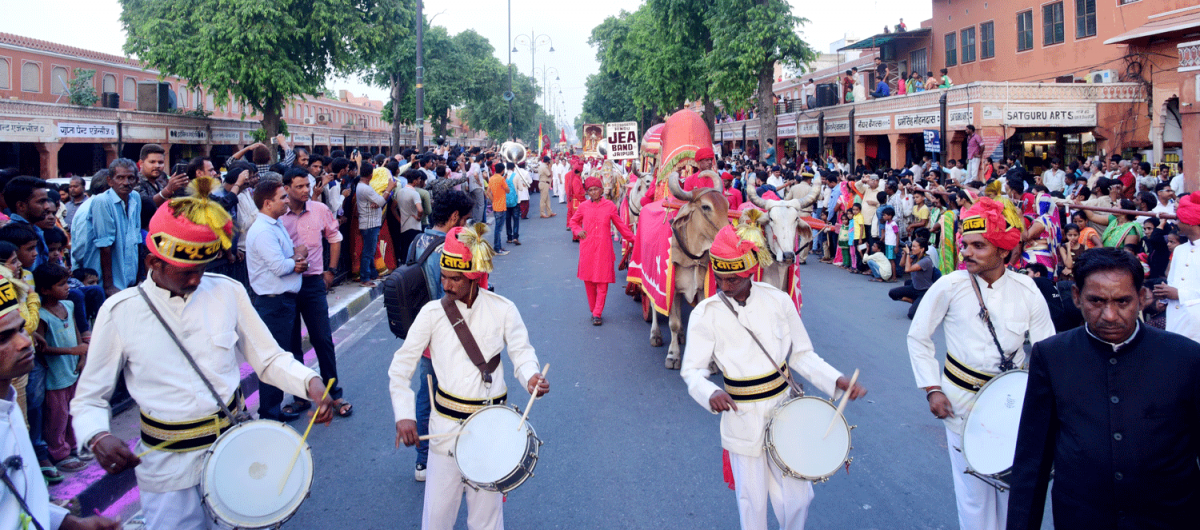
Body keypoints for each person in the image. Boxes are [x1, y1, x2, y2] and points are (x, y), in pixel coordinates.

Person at [71, 177, 332, 530]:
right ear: (153, 262)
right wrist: (97, 435)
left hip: (235, 453)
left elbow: (268, 358)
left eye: (201, 270)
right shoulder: (120, 311)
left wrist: (310, 381)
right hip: (165, 471)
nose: (197, 280)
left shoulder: (227, 291)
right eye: (186, 272)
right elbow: (89, 397)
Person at [680, 224, 866, 530]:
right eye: (721, 278)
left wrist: (836, 381)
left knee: (797, 499)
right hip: (741, 416)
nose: (725, 286)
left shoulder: (779, 301)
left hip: (785, 411)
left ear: (751, 271)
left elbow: (802, 355)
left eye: (734, 279)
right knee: (751, 502)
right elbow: (692, 370)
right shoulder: (705, 313)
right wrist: (708, 392)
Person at [1007, 248, 1200, 529]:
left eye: (1123, 301)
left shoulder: (1187, 357)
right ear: (1076, 297)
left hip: (1171, 519)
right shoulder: (1052, 356)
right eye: (1096, 301)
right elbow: (1032, 458)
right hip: (1081, 518)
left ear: (1142, 298)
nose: (1110, 315)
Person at [907, 197, 1055, 530]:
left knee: (1012, 493)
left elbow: (1047, 351)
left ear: (1004, 251)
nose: (967, 252)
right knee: (974, 498)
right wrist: (932, 388)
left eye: (978, 245)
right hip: (960, 404)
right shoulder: (949, 285)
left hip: (1012, 406)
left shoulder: (1028, 290)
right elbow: (918, 337)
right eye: (965, 244)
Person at [389, 223, 549, 530]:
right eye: (444, 277)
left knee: (486, 522)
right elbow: (400, 367)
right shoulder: (432, 314)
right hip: (443, 433)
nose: (446, 285)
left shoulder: (503, 309)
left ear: (474, 277)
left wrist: (531, 377)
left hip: (490, 432)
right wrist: (404, 415)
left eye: (455, 278)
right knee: (436, 519)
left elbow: (522, 352)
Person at [0, 274, 121, 530]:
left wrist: (68, 523)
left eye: (21, 328)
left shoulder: (8, 406)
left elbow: (18, 500)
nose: (24, 342)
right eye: (3, 338)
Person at [405, 190, 473, 483]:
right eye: (466, 220)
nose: (468, 226)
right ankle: (454, 457)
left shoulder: (417, 241)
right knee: (454, 396)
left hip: (422, 332)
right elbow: (452, 296)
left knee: (426, 395)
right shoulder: (445, 249)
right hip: (447, 333)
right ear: (456, 217)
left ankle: (423, 461)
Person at [279, 171, 351, 418]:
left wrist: (331, 270)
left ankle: (334, 392)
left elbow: (334, 237)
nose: (304, 190)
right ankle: (300, 398)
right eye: (298, 186)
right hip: (286, 285)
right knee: (291, 345)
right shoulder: (278, 214)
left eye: (306, 185)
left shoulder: (319, 209)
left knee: (322, 339)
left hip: (313, 283)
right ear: (286, 188)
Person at [247, 179, 309, 423]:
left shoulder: (275, 224)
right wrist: (298, 261)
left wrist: (295, 258)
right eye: (282, 197)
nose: (287, 201)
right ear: (267, 203)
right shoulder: (262, 230)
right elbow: (278, 266)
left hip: (285, 301)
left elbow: (287, 256)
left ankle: (276, 407)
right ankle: (270, 413)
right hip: (274, 303)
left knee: (286, 353)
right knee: (274, 358)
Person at [71, 159, 142, 298]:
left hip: (129, 277)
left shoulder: (135, 197)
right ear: (110, 181)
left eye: (130, 178)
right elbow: (105, 245)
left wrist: (139, 278)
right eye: (120, 178)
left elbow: (136, 238)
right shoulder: (102, 201)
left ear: (137, 180)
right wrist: (109, 286)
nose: (126, 183)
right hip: (109, 280)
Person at [569, 177, 636, 326]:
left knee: (602, 282)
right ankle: (594, 310)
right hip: (587, 248)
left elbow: (621, 226)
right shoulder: (583, 206)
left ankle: (597, 313)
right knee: (589, 281)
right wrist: (578, 230)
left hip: (604, 249)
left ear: (601, 191)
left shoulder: (610, 206)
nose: (593, 192)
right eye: (590, 190)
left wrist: (634, 240)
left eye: (596, 189)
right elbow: (573, 221)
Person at [1157, 192, 1200, 343]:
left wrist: (1179, 294)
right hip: (1176, 321)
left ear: (1191, 222)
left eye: (1179, 219)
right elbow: (1173, 283)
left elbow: (1179, 291)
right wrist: (1165, 296)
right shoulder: (1180, 250)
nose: (1175, 223)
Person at [356, 163, 394, 286]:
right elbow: (381, 201)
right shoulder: (365, 188)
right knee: (368, 252)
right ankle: (365, 278)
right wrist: (389, 188)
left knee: (371, 251)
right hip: (369, 224)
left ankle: (372, 274)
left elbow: (378, 201)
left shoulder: (364, 186)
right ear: (371, 175)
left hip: (370, 222)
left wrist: (378, 202)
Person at [888, 239, 935, 318]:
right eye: (912, 246)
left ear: (922, 249)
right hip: (914, 287)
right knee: (892, 293)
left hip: (924, 291)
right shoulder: (914, 256)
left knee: (911, 315)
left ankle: (921, 303)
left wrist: (908, 254)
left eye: (914, 247)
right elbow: (901, 264)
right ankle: (915, 301)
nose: (912, 248)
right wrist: (905, 253)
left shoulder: (926, 260)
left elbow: (908, 269)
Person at [486, 162, 511, 255]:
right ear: (503, 170)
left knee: (498, 227)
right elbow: (508, 190)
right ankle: (497, 248)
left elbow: (488, 192)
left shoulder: (492, 178)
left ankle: (498, 246)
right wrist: (504, 181)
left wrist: (493, 200)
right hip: (501, 206)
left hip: (495, 205)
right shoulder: (501, 179)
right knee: (499, 229)